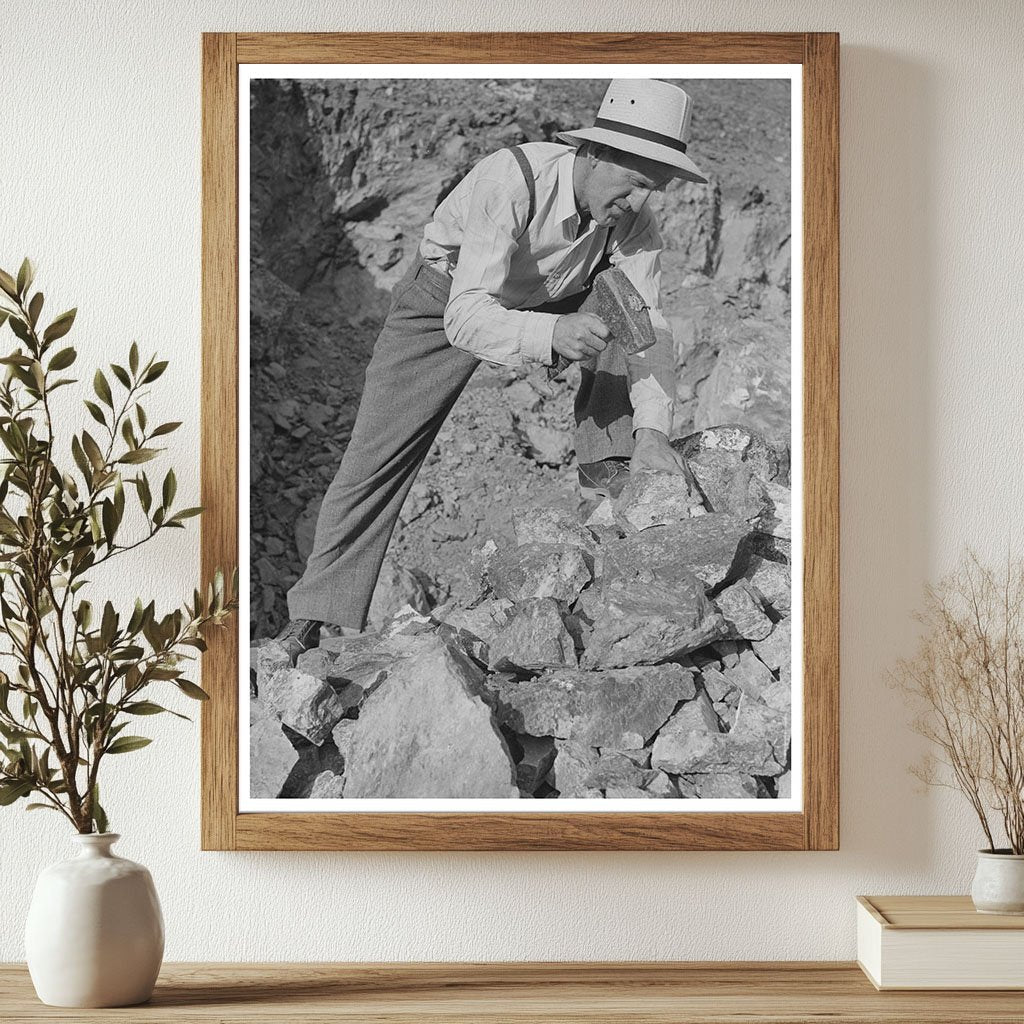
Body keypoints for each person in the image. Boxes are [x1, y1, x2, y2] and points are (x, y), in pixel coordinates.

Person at [275, 78, 708, 659]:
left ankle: (612, 498)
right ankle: (310, 620)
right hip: (450, 297)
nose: (636, 204)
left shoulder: (632, 224)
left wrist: (653, 433)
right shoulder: (512, 179)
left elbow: (649, 325)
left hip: (553, 295)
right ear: (596, 152)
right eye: (633, 183)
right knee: (378, 452)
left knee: (620, 312)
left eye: (650, 190)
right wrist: (552, 333)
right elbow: (467, 316)